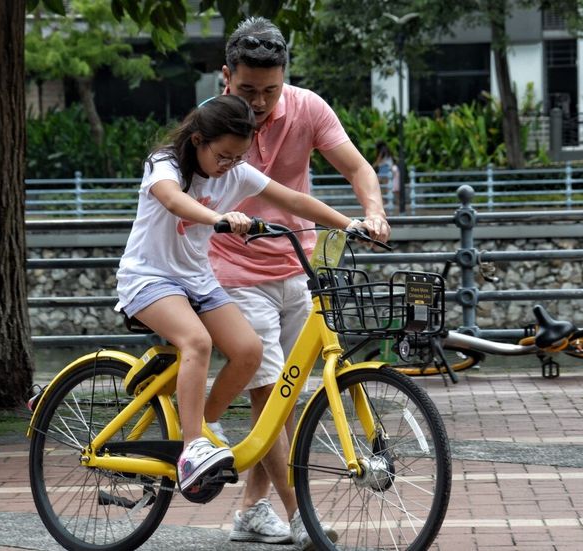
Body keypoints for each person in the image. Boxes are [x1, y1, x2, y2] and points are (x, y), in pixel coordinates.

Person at [113, 95, 360, 504]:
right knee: (197, 342)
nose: (230, 165)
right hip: (149, 278)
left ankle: (207, 424)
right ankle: (193, 449)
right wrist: (218, 219)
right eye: (223, 156)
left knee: (249, 350)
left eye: (238, 157)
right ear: (198, 140)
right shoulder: (165, 163)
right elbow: (174, 200)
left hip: (196, 279)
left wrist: (351, 223)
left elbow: (295, 201)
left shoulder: (237, 173)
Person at [204, 16, 391, 550]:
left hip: (298, 267)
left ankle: (249, 510)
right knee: (269, 395)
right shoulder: (213, 120)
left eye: (270, 90)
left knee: (284, 400)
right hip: (233, 271)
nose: (259, 103)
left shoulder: (308, 108)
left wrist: (372, 212)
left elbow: (357, 167)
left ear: (284, 78)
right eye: (247, 90)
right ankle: (300, 515)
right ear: (226, 77)